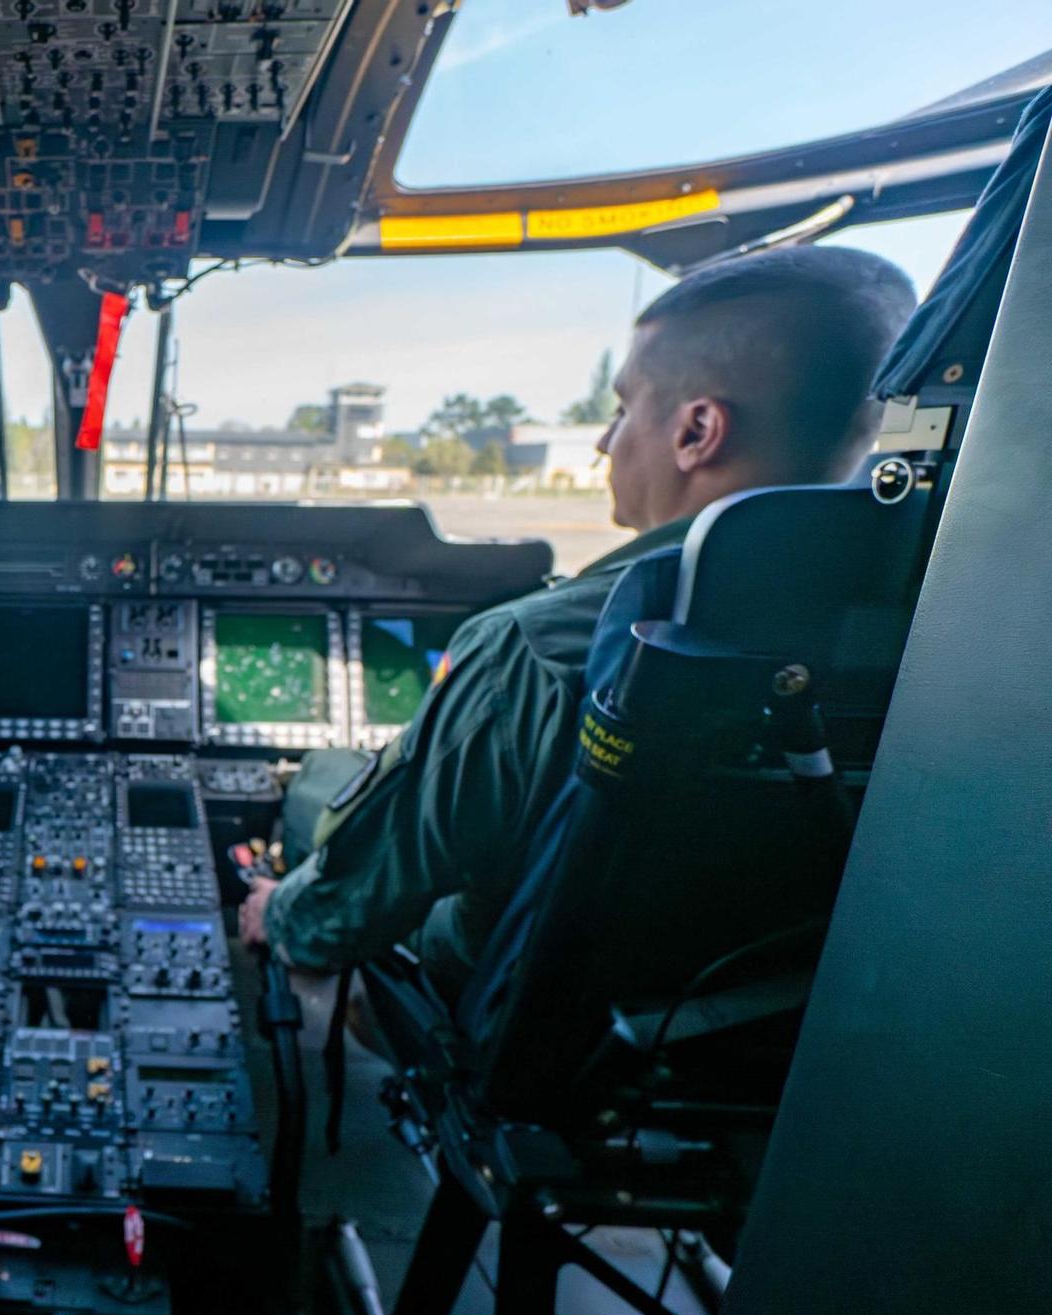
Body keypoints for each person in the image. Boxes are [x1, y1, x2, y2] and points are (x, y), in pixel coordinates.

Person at [240, 245, 918, 993]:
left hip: (538, 1026)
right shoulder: (930, 633)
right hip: (770, 1029)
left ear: (697, 432)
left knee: (323, 788)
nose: (604, 440)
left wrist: (279, 915)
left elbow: (346, 912)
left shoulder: (530, 652)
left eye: (623, 408)